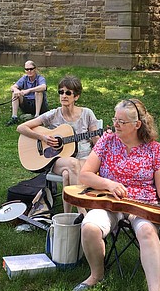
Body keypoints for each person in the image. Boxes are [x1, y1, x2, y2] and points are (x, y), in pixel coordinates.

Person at [72, 99, 160, 291]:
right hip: (109, 200)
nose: (116, 125)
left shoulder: (154, 149)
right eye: (115, 119)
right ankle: (96, 275)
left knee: (148, 234)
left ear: (137, 125)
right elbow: (85, 175)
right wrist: (108, 184)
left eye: (122, 121)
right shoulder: (106, 141)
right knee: (90, 227)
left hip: (141, 203)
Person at [16, 75, 100, 213]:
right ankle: (82, 213)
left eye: (68, 93)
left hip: (84, 158)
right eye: (61, 92)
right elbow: (21, 127)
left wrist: (100, 153)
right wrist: (43, 137)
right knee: (72, 164)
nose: (64, 95)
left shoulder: (87, 114)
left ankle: (67, 216)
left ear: (76, 97)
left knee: (68, 174)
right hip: (59, 159)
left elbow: (96, 140)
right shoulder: (53, 114)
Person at [6, 60, 48, 125]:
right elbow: (13, 87)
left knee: (38, 92)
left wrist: (29, 90)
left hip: (39, 105)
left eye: (31, 69)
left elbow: (43, 87)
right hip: (27, 104)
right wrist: (16, 90)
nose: (29, 71)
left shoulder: (40, 78)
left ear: (35, 69)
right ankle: (14, 117)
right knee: (15, 93)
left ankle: (37, 116)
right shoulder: (24, 78)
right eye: (27, 69)